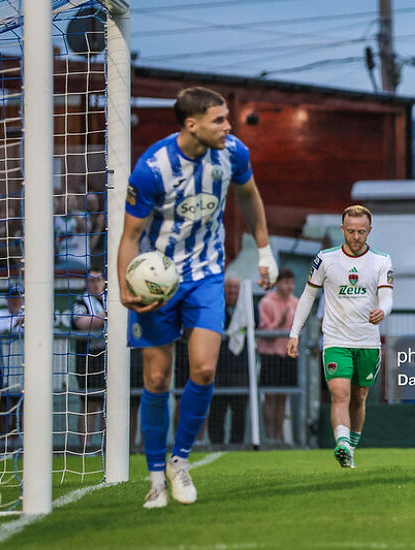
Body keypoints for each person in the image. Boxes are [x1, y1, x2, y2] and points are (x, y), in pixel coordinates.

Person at [117, 86, 278, 509]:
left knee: (205, 369)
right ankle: (155, 477)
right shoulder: (152, 168)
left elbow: (249, 195)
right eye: (219, 120)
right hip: (159, 281)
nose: (229, 126)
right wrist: (125, 286)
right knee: (156, 379)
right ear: (192, 124)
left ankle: (179, 461)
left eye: (228, 118)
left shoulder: (232, 153)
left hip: (207, 275)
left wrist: (264, 250)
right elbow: (130, 236)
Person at [288, 205, 393, 468]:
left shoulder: (382, 260)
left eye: (361, 232)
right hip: (336, 340)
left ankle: (351, 448)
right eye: (350, 231)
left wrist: (383, 310)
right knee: (340, 394)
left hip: (367, 341)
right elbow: (308, 296)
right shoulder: (325, 259)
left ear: (369, 230)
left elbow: (387, 296)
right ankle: (342, 443)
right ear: (342, 229)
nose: (355, 237)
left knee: (359, 397)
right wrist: (294, 333)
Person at [208, 276, 250, 446]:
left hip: (240, 370)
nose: (232, 291)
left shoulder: (248, 310)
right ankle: (216, 442)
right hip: (218, 369)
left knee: (239, 409)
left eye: (235, 288)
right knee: (217, 408)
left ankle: (237, 443)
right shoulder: (215, 309)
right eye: (229, 287)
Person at [257, 269, 298, 444]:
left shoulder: (296, 303)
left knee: (283, 395)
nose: (289, 286)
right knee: (270, 396)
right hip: (270, 355)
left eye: (291, 282)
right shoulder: (266, 302)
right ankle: (270, 436)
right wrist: (279, 323)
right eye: (285, 282)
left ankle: (279, 436)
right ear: (277, 283)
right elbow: (265, 330)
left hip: (289, 354)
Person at [0, 283, 25, 452]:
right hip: (0, 369)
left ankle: (20, 444)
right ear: (7, 298)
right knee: (3, 406)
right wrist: (14, 325)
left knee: (23, 406)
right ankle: (4, 443)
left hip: (22, 368)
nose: (15, 300)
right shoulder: (0, 314)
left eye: (18, 296)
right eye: (12, 296)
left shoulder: (29, 314)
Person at [72, 268, 107, 452]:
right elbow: (81, 323)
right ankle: (86, 447)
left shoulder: (110, 298)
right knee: (90, 402)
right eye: (91, 280)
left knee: (108, 403)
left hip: (109, 356)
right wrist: (104, 316)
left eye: (98, 279)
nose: (95, 283)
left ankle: (106, 446)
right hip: (88, 357)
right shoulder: (81, 300)